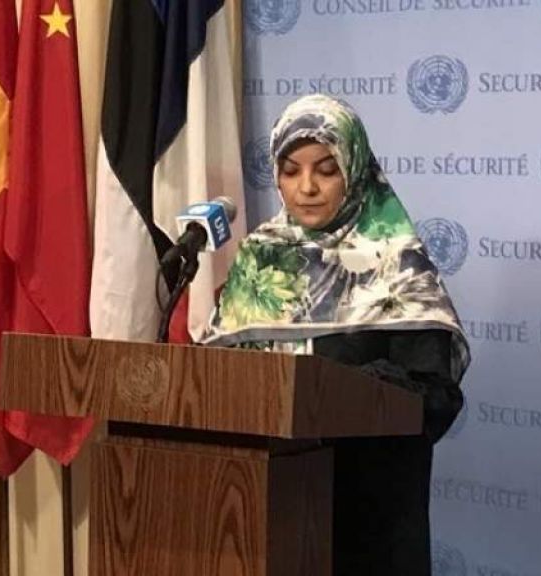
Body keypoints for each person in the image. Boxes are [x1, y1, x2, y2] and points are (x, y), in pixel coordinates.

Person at [202, 94, 469, 575]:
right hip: (263, 508)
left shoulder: (397, 263)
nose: (306, 187)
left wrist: (337, 392)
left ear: (355, 169)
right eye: (290, 171)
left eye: (326, 170)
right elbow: (217, 381)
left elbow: (436, 397)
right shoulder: (258, 258)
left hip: (369, 516)